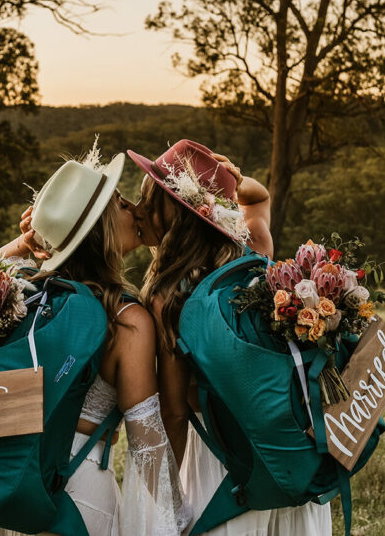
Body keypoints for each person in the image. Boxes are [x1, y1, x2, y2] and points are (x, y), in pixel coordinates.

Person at [0, 147, 188, 536]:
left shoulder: (14, 297)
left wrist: (28, 243)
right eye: (121, 203)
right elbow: (146, 442)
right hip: (74, 493)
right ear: (102, 226)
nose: (134, 209)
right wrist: (175, 517)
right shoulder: (127, 321)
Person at [129, 139, 331, 536]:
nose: (139, 209)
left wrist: (168, 503)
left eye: (147, 199)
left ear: (171, 211)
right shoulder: (253, 247)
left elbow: (174, 412)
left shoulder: (168, 294)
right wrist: (233, 183)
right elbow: (260, 198)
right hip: (280, 443)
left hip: (221, 460)